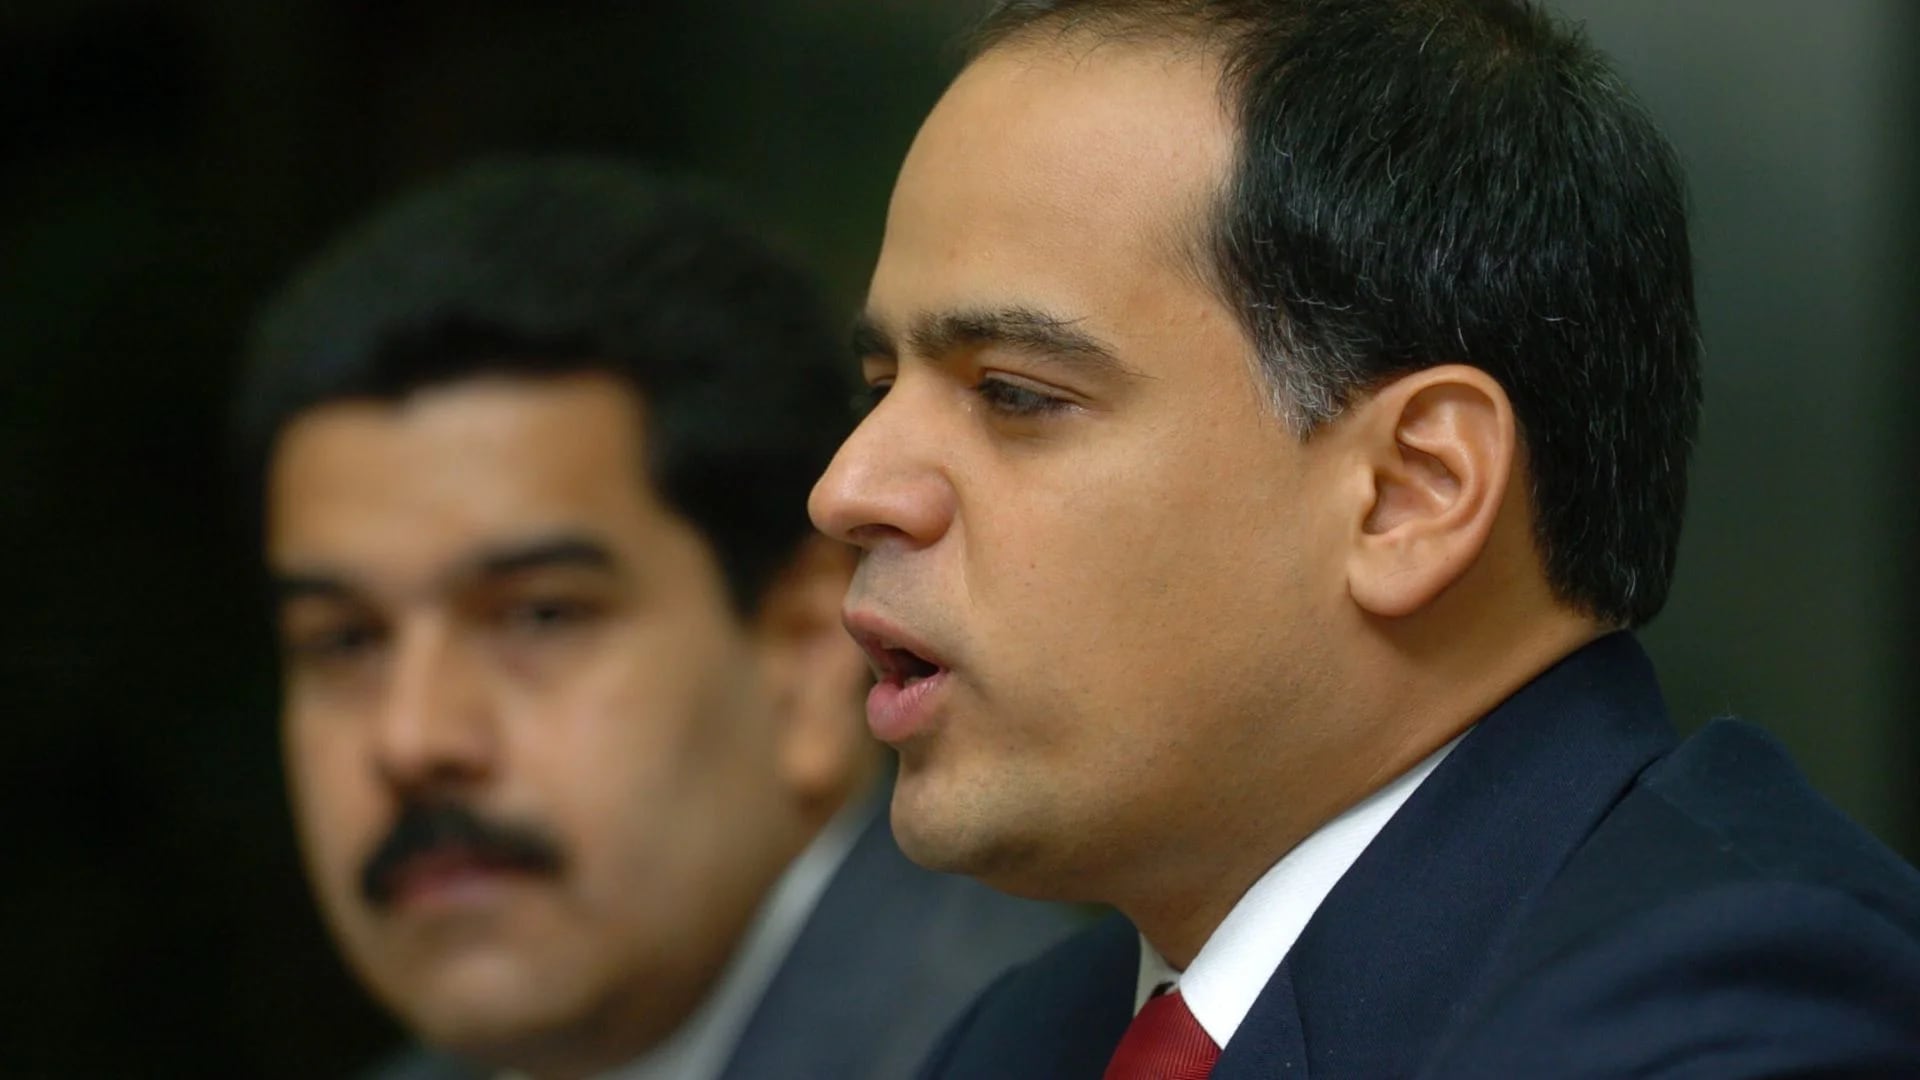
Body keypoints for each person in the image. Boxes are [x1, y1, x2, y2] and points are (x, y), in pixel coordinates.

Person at [805, 1, 1920, 1076]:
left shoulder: (1747, 1013)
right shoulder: (1031, 1035)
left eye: (1013, 393)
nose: (847, 489)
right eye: (877, 388)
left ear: (1410, 493)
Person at [235, 158, 1075, 1080]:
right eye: (345, 641)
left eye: (540, 616)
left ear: (807, 651)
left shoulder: (1068, 1050)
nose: (413, 739)